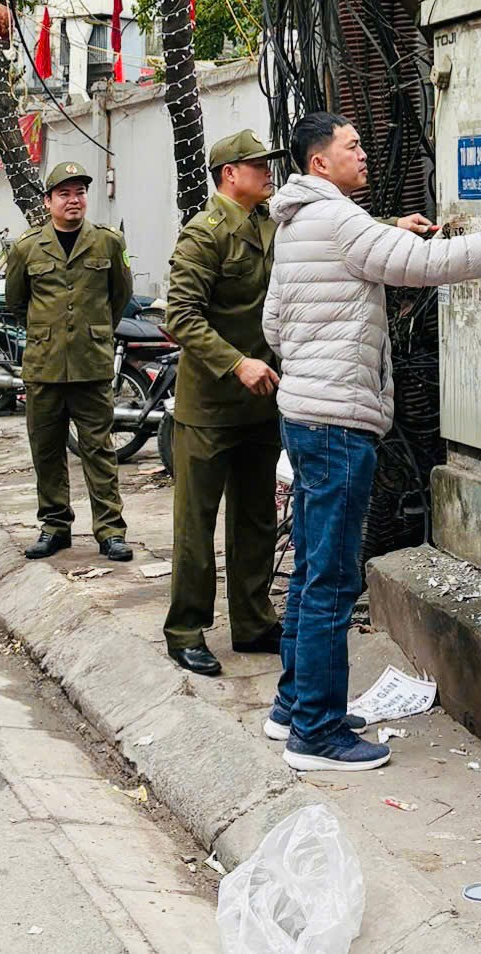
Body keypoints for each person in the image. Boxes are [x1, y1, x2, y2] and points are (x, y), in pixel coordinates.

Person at [262, 111, 481, 771]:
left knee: (312, 568)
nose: (364, 153)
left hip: (304, 415)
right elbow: (428, 265)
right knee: (333, 580)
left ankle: (294, 703)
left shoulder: (295, 223)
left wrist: (379, 243)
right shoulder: (340, 221)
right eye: (353, 145)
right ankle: (315, 733)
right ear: (320, 162)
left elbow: (275, 325)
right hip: (340, 423)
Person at [161, 130, 287, 678]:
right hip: (210, 405)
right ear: (229, 174)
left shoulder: (270, 224)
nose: (266, 170)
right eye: (256, 164)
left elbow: (333, 235)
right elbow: (181, 317)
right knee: (196, 525)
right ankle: (186, 629)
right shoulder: (204, 235)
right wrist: (236, 362)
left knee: (256, 520)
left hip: (260, 404)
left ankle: (254, 623)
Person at [5, 160, 133, 563]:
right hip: (43, 366)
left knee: (99, 449)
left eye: (79, 192)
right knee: (46, 450)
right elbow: (16, 302)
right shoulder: (27, 247)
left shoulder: (108, 242)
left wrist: (92, 332)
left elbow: (119, 297)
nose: (73, 200)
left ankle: (110, 531)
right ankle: (55, 526)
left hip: (90, 365)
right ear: (48, 201)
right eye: (64, 193)